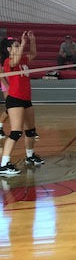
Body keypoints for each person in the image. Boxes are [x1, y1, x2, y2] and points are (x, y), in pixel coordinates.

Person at [0, 32, 44, 176]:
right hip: (15, 99)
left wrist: (32, 40)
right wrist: (23, 44)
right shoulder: (9, 61)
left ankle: (30, 156)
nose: (19, 47)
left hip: (26, 99)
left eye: (19, 45)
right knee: (16, 132)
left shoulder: (23, 59)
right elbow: (16, 60)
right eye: (16, 45)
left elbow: (33, 53)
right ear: (8, 49)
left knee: (30, 131)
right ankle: (4, 164)